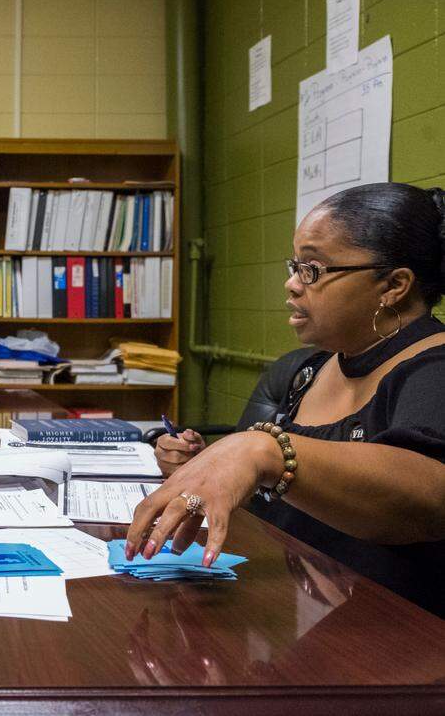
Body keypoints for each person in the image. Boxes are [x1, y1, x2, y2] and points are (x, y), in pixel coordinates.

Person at [133, 182, 445, 617]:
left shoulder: (433, 368)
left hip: (390, 645)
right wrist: (209, 468)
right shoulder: (311, 369)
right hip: (289, 610)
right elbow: (286, 490)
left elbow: (427, 496)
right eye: (295, 266)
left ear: (393, 285)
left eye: (312, 270)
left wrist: (263, 450)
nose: (292, 284)